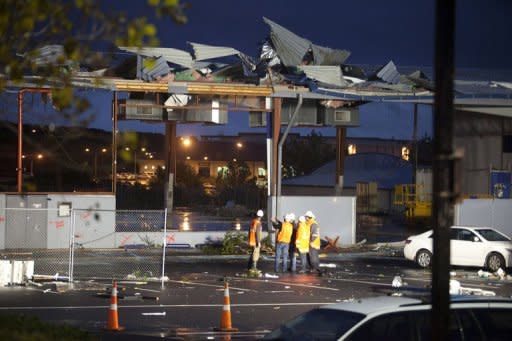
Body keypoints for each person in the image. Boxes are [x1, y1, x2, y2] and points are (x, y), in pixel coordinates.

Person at [305, 210, 323, 276]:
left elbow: (315, 234)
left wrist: (311, 241)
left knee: (314, 257)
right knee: (310, 256)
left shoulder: (313, 224)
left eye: (306, 217)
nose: (305, 218)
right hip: (310, 243)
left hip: (313, 244)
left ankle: (317, 269)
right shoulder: (309, 223)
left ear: (310, 217)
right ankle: (312, 268)